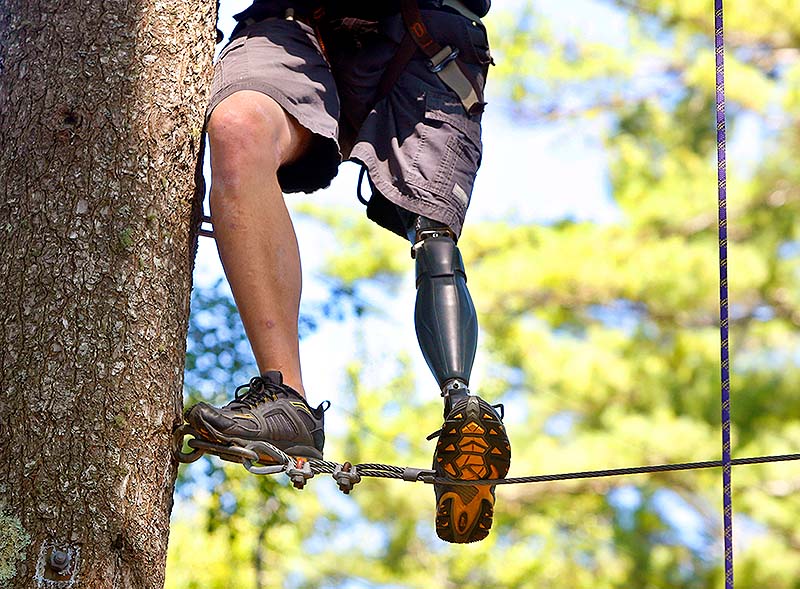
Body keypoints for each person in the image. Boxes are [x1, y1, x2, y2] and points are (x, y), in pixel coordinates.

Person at [184, 0, 510, 544]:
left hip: (427, 36)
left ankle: (461, 408)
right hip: (297, 23)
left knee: (434, 236)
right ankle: (285, 402)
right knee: (238, 128)